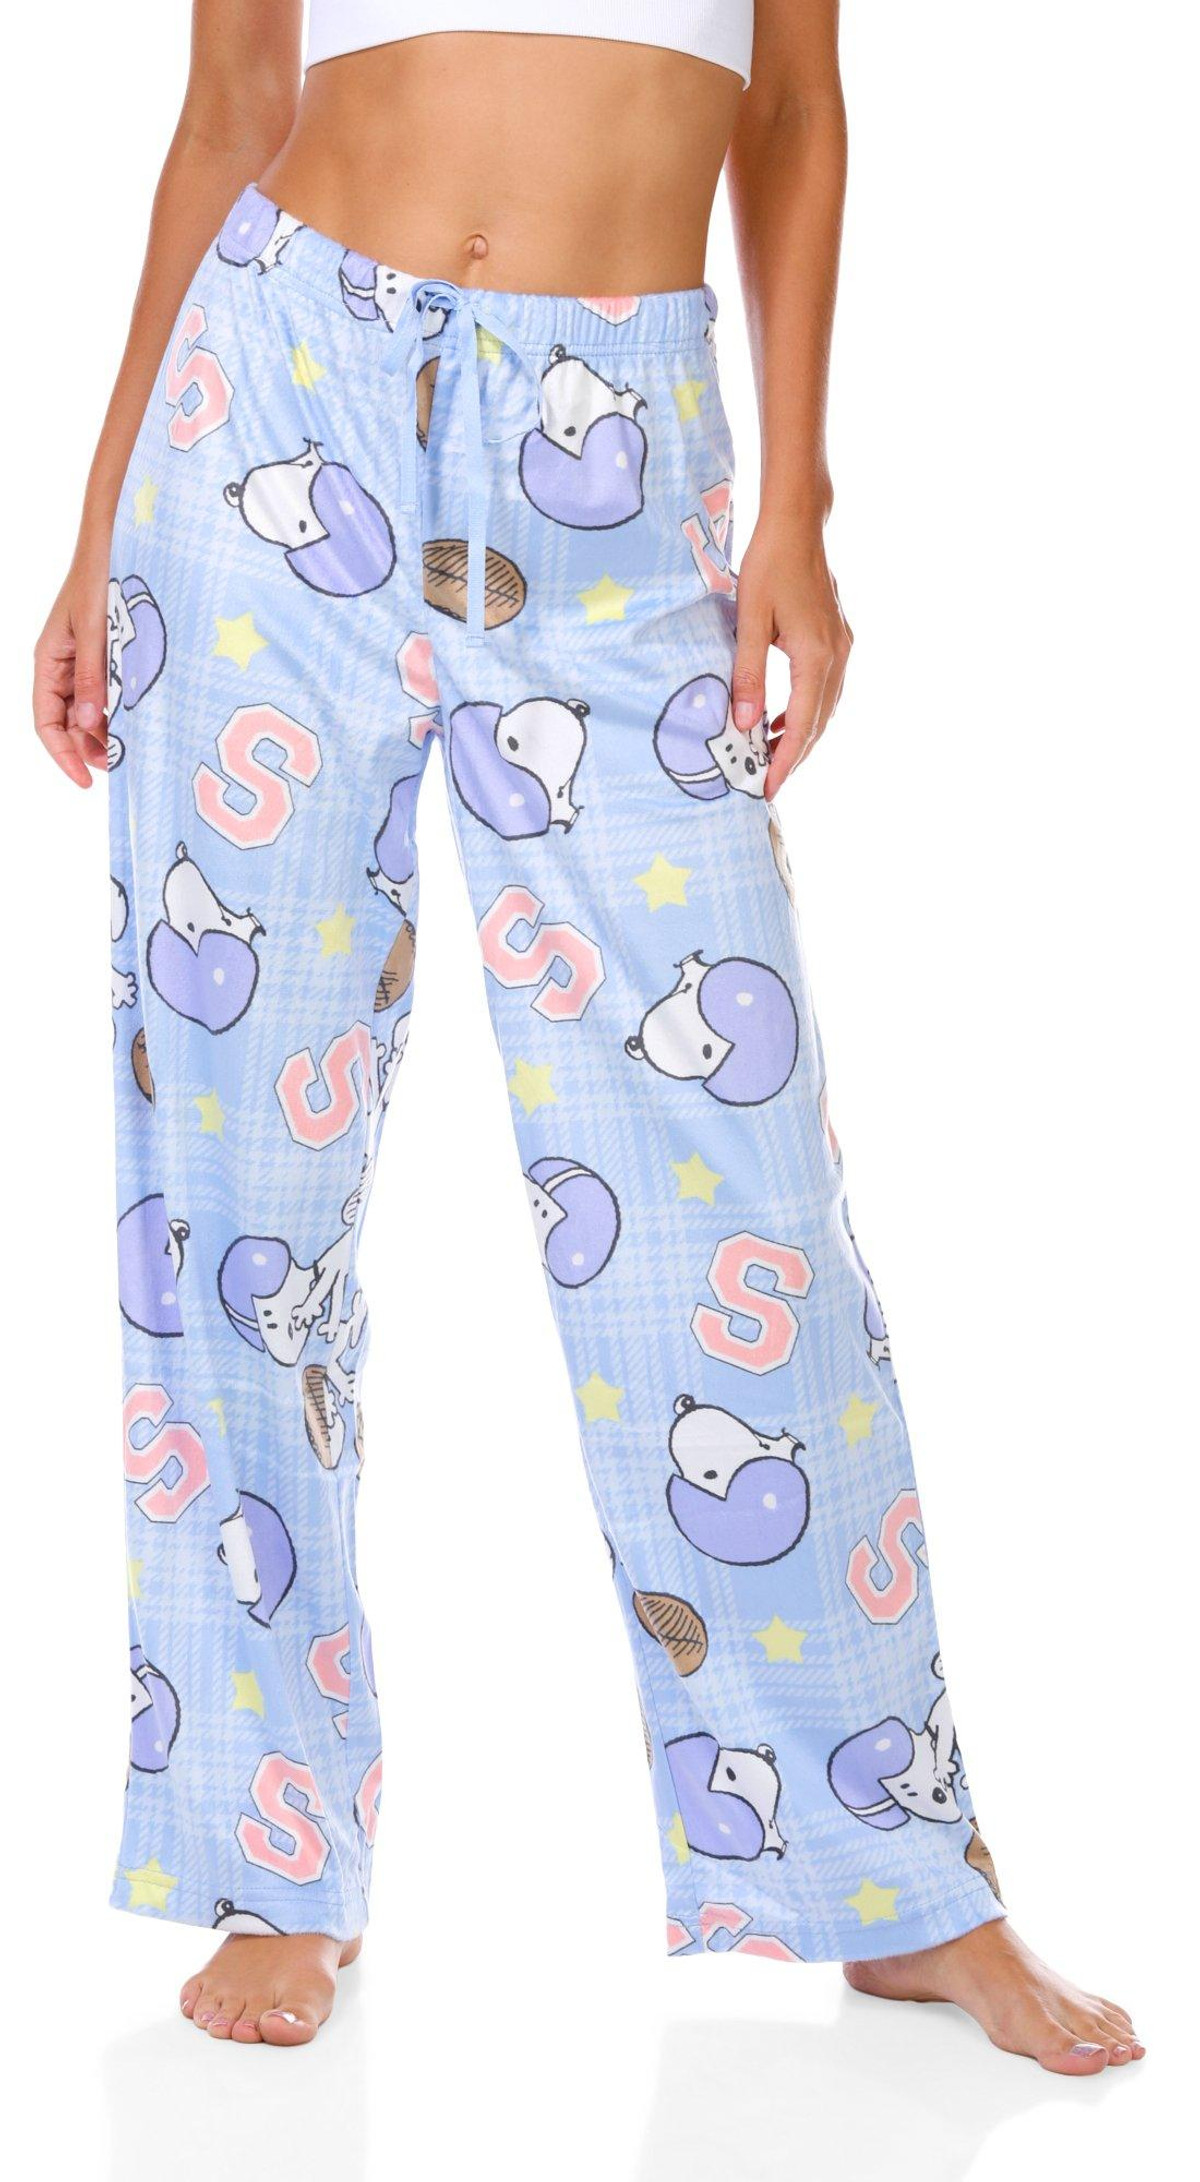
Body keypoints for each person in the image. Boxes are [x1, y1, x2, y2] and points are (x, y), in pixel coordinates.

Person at [33, 1, 1141, 2070]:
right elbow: (231, 106)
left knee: (740, 1196)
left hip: (619, 462)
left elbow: (795, 106)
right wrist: (98, 525)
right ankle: (276, 1851)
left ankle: (897, 1874)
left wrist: (797, 500)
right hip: (267, 412)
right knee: (237, 1188)